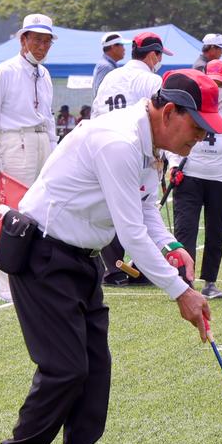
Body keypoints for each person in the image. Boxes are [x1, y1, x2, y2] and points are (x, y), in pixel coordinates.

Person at [0, 69, 221, 444]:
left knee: (95, 369)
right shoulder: (119, 142)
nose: (202, 138)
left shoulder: (151, 145)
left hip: (80, 259)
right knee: (65, 369)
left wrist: (171, 246)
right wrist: (181, 293)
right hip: (43, 255)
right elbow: (130, 234)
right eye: (198, 127)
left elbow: (146, 208)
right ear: (169, 113)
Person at [0, 13, 57, 300]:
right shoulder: (6, 70)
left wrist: (55, 149)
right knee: (14, 211)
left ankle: (32, 273)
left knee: (42, 209)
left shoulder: (45, 74)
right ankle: (5, 281)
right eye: (37, 39)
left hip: (40, 140)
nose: (42, 46)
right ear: (23, 39)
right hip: (15, 140)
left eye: (47, 41)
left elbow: (48, 117)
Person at [168, 60, 222, 299]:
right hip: (190, 174)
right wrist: (174, 165)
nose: (217, 88)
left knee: (215, 233)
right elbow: (173, 135)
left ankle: (210, 282)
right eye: (212, 82)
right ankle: (184, 281)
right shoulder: (190, 103)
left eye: (221, 84)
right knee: (185, 230)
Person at [93, 32, 172, 285]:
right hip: (137, 153)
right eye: (159, 55)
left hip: (104, 148)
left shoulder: (110, 78)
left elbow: (95, 112)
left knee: (110, 208)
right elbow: (164, 118)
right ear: (152, 55)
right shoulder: (151, 80)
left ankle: (112, 269)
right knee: (142, 208)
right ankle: (143, 267)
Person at [92, 32, 130, 99]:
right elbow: (100, 94)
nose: (124, 49)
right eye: (122, 45)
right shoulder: (106, 66)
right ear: (114, 47)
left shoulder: (108, 65)